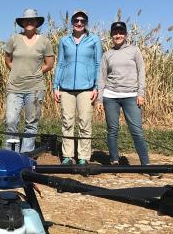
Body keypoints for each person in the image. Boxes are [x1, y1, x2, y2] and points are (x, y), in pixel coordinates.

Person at [96, 21, 150, 165]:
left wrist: (141, 93)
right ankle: (114, 161)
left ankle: (146, 164)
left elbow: (141, 72)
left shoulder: (134, 51)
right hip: (111, 96)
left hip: (131, 96)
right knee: (112, 130)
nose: (118, 35)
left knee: (136, 131)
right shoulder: (107, 54)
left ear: (125, 34)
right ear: (111, 35)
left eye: (121, 32)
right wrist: (99, 99)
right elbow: (101, 77)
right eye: (115, 33)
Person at [53, 10, 102, 165]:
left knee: (85, 122)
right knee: (67, 122)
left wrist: (97, 87)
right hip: (66, 88)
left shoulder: (94, 40)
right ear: (72, 22)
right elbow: (60, 63)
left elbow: (98, 64)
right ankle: (67, 155)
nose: (79, 23)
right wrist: (55, 86)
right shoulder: (64, 40)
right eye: (76, 20)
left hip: (87, 88)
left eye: (82, 20)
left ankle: (83, 157)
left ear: (86, 22)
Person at [4, 8, 54, 153]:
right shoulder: (14, 39)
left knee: (31, 123)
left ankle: (26, 155)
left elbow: (49, 64)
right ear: (22, 23)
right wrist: (17, 71)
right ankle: (11, 153)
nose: (30, 22)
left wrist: (36, 73)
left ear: (37, 22)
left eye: (33, 20)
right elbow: (8, 59)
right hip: (15, 87)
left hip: (35, 88)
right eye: (27, 20)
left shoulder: (45, 41)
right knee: (11, 121)